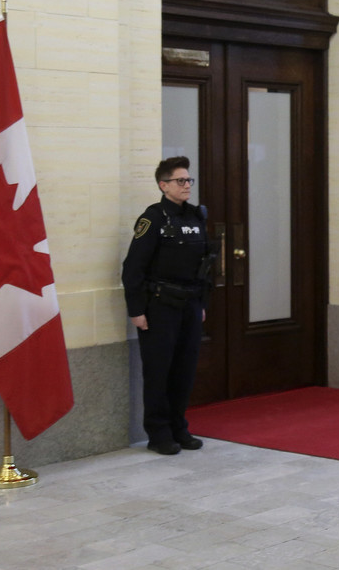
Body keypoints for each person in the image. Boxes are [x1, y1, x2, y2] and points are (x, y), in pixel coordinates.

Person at [122, 156, 213, 456]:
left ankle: (179, 427)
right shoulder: (154, 219)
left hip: (189, 304)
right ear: (163, 185)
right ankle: (158, 433)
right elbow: (133, 268)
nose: (187, 185)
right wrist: (136, 310)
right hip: (159, 307)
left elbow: (205, 266)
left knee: (184, 370)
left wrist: (201, 303)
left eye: (189, 180)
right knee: (159, 371)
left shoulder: (196, 217)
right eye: (180, 181)